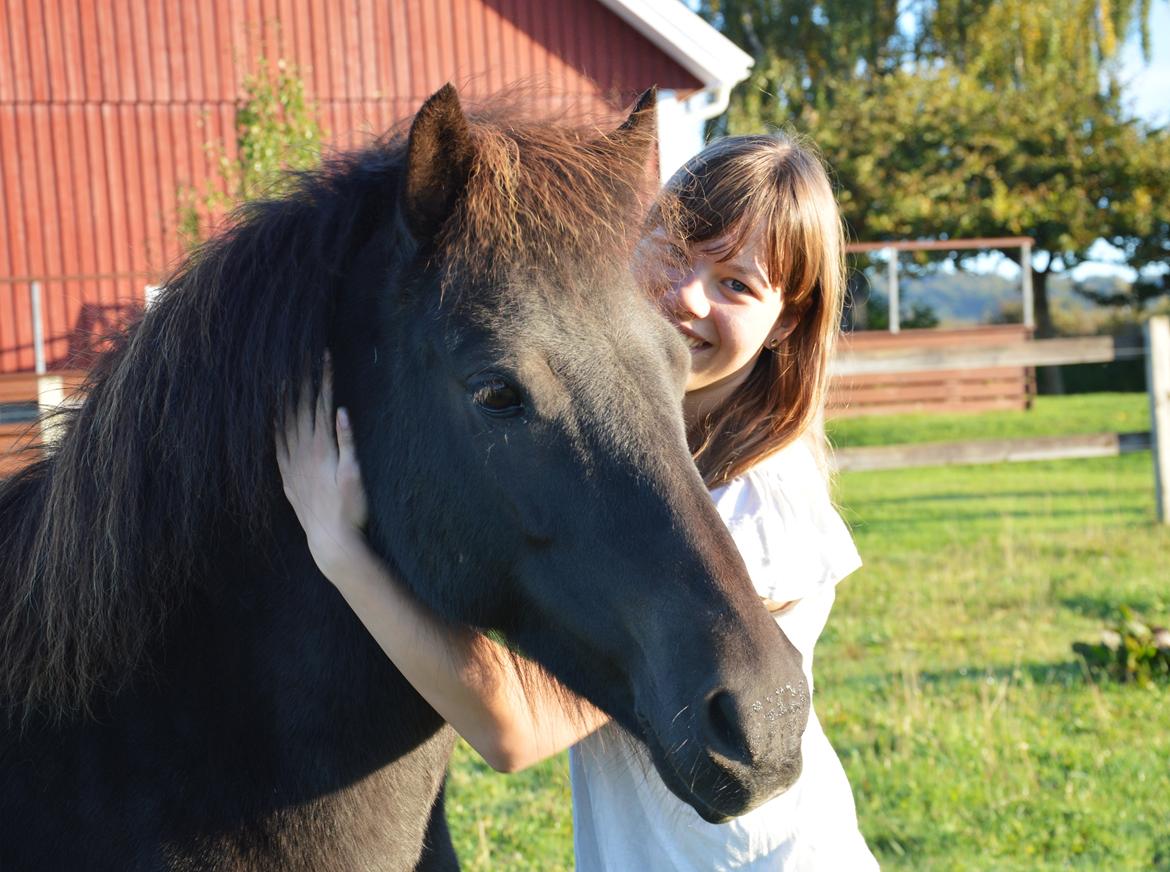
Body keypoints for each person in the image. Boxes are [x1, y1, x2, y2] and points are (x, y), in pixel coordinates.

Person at [277, 133, 878, 870]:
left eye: (736, 285)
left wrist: (338, 548)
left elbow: (515, 731)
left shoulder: (759, 502)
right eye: (677, 248)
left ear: (787, 322)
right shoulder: (626, 456)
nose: (688, 295)